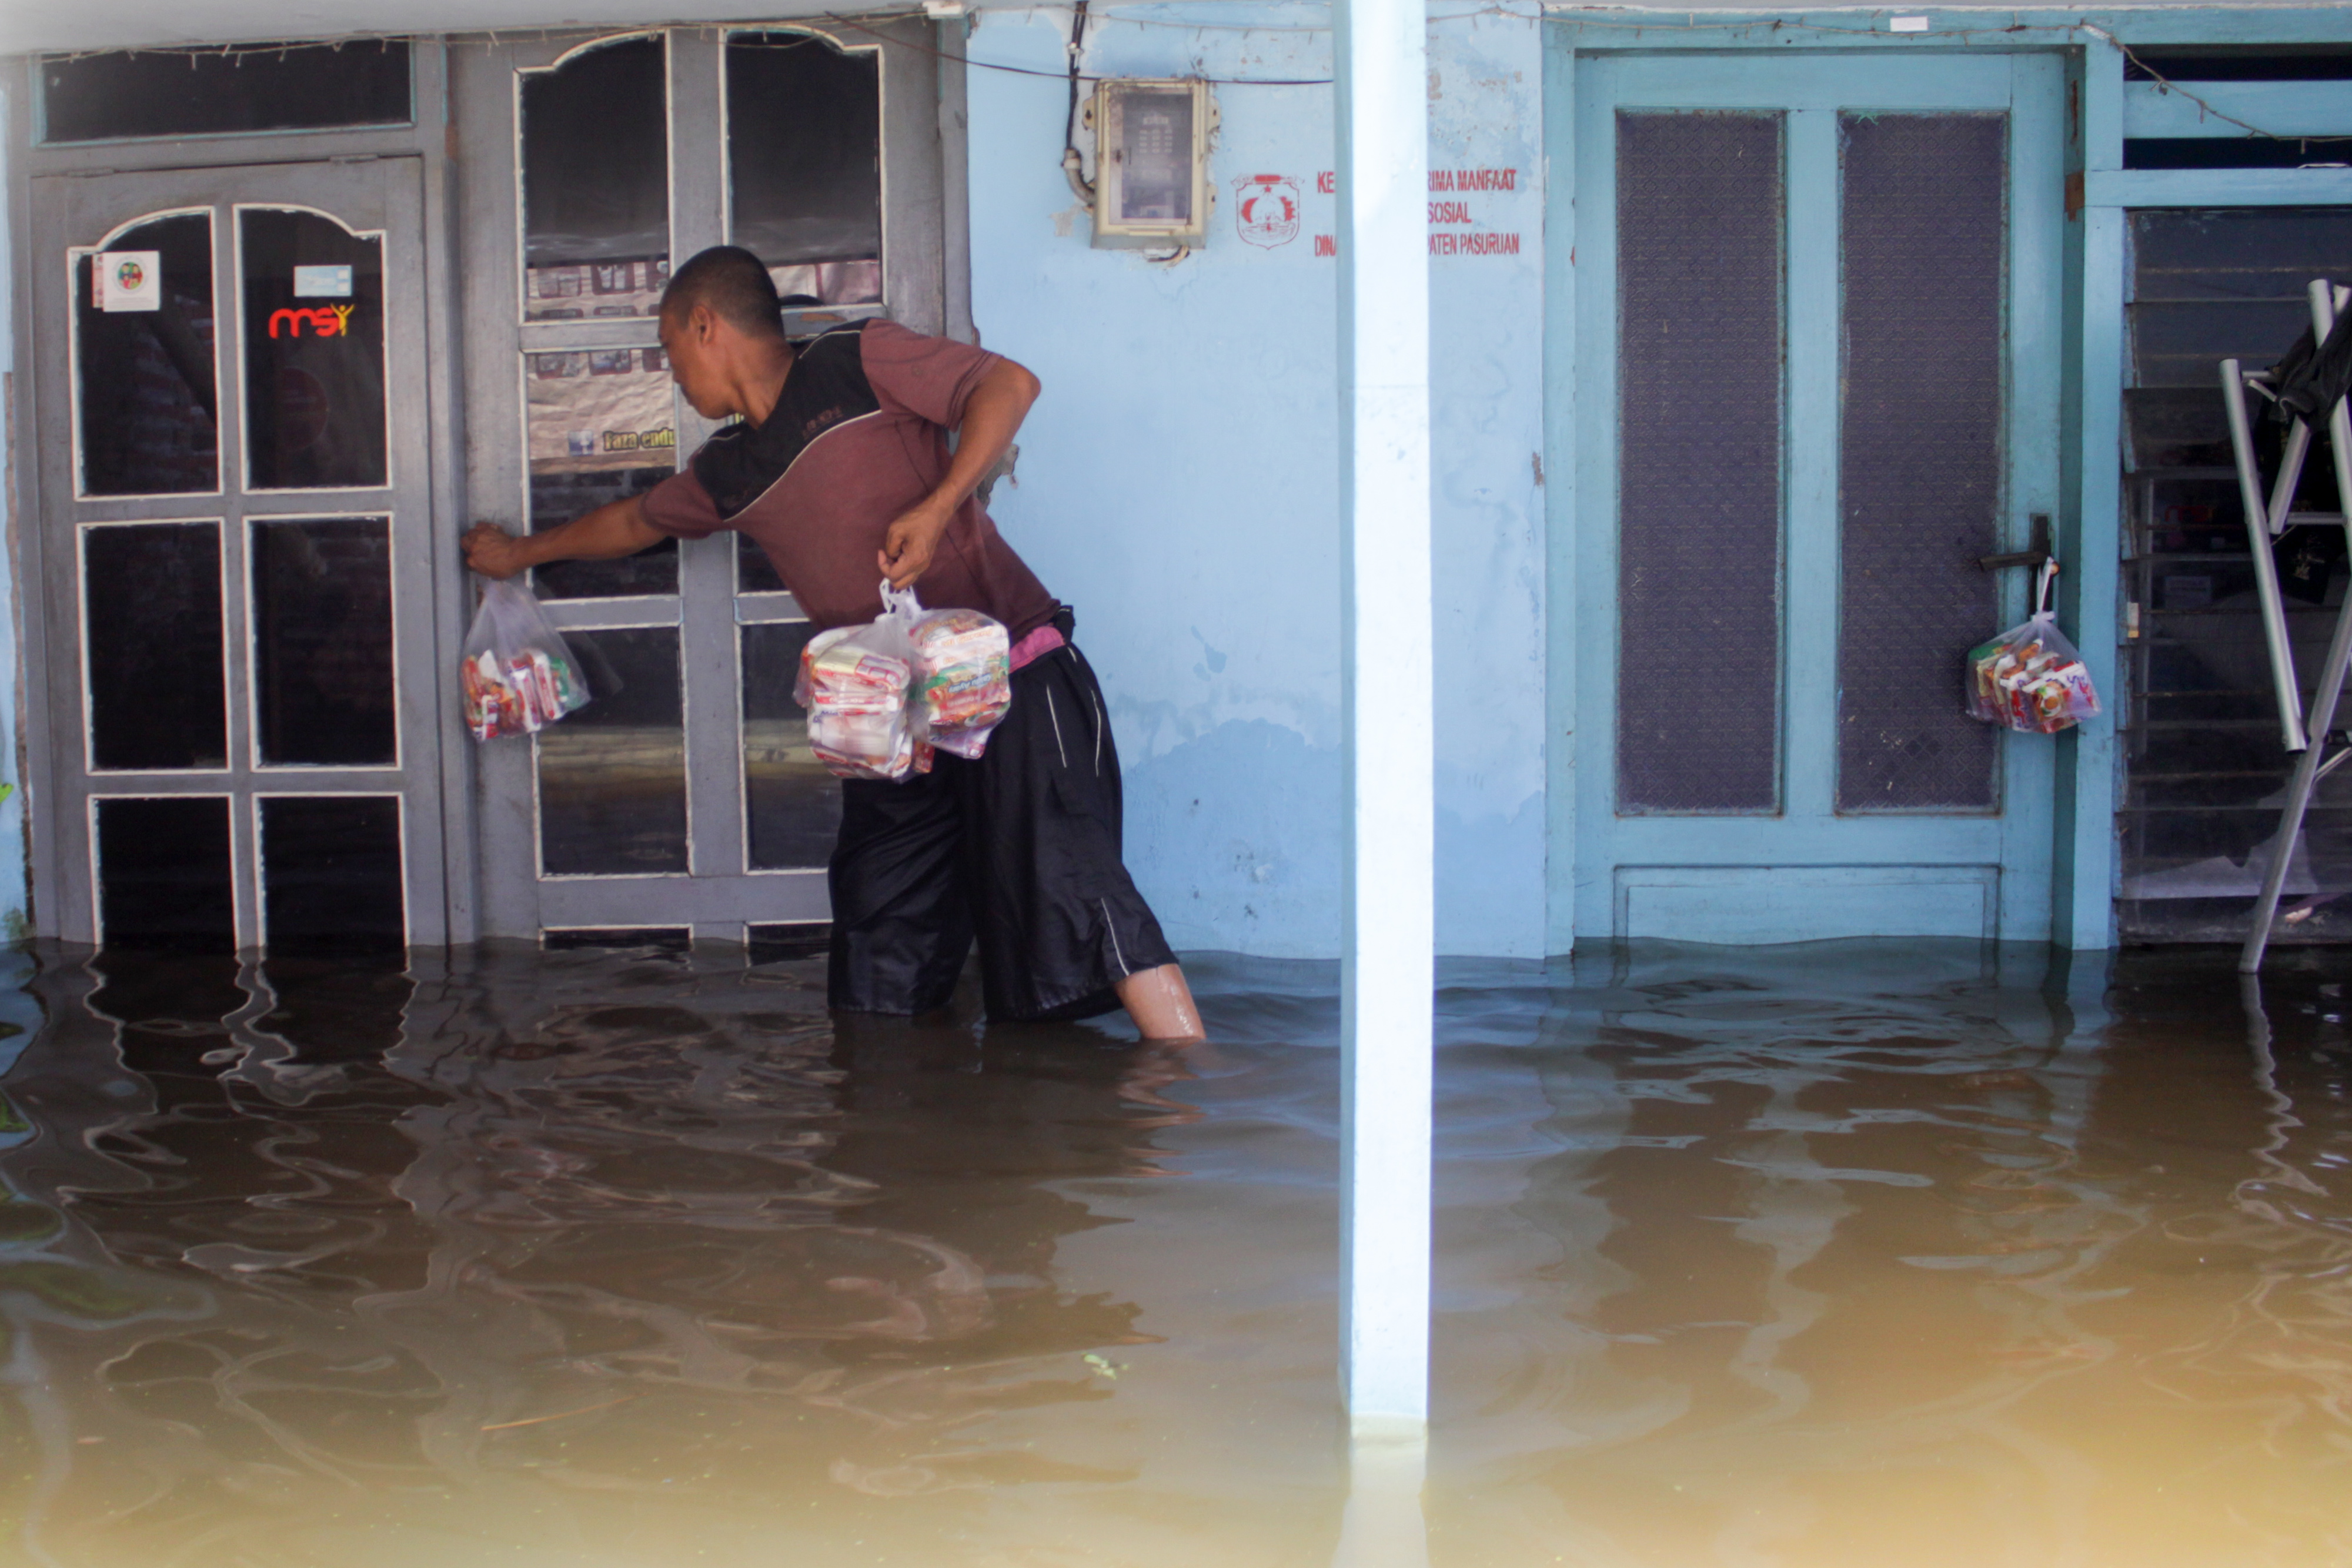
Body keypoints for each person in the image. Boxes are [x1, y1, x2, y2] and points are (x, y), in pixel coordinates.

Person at [464, 246, 1202, 1042]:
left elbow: (1008, 385)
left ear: (705, 325)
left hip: (1012, 680)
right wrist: (520, 555)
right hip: (893, 732)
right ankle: (894, 1134)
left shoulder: (858, 360)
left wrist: (939, 503)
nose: (669, 372)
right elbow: (637, 521)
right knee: (881, 933)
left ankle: (1192, 1095)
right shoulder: (730, 468)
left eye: (669, 348)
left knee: (1076, 889)